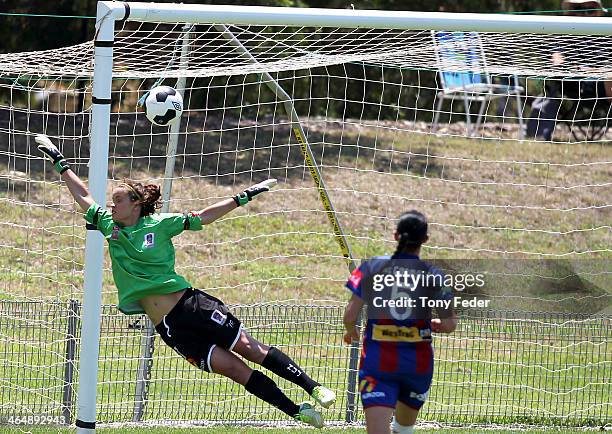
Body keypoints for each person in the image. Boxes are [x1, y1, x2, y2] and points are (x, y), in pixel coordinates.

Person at [35, 134, 335, 428]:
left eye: (117, 202)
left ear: (136, 205)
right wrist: (58, 160)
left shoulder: (161, 224)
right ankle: (297, 412)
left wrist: (242, 197)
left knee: (249, 348)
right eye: (112, 203)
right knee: (233, 369)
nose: (112, 207)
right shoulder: (108, 225)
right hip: (169, 328)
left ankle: (314, 388)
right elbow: (83, 195)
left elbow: (202, 217)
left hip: (192, 306)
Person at [342, 211, 457, 434]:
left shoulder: (371, 267)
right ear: (425, 239)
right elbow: (450, 324)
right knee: (403, 429)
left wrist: (350, 331)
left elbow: (350, 315)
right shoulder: (434, 275)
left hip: (378, 363)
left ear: (396, 236)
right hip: (417, 365)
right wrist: (436, 325)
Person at [525, 0, 609, 140]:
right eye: (579, 9)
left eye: (591, 10)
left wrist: (598, 72)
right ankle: (538, 135)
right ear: (571, 11)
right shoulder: (564, 33)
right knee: (551, 95)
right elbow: (557, 60)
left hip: (601, 85)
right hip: (573, 86)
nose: (585, 14)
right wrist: (577, 69)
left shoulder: (604, 35)